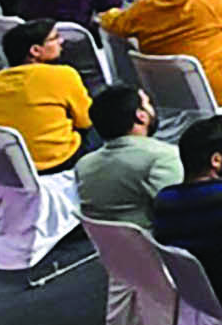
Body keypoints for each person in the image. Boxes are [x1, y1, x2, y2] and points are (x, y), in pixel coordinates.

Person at [67, 85, 178, 227]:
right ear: (141, 116)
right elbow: (180, 213)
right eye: (148, 104)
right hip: (156, 239)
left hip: (107, 241)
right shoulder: (163, 157)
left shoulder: (83, 166)